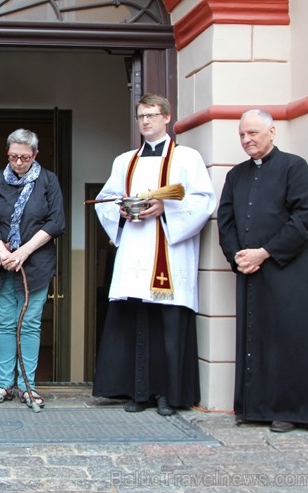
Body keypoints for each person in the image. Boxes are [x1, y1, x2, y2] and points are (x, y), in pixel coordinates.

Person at [92, 93, 216, 416]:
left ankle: (167, 395)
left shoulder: (187, 158)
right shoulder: (125, 161)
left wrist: (165, 208)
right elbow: (106, 200)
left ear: (166, 117)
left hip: (168, 255)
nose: (145, 121)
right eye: (141, 116)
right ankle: (138, 391)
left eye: (151, 115)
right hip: (135, 254)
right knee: (138, 323)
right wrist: (121, 210)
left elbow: (203, 201)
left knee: (167, 326)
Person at [217, 109, 308, 432]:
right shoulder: (235, 176)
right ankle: (255, 408)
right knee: (257, 340)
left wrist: (264, 253)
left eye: (253, 133)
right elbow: (225, 221)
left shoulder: (294, 167)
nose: (246, 140)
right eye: (242, 135)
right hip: (251, 271)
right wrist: (238, 256)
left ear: (272, 132)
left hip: (290, 271)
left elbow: (303, 219)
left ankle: (291, 410)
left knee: (287, 340)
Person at [0, 128, 65, 408]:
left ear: (35, 155)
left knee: (29, 325)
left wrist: (23, 251)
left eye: (25, 158)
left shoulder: (48, 181)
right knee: (3, 324)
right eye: (13, 157)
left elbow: (55, 222)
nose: (18, 163)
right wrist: (4, 253)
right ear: (7, 154)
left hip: (35, 266)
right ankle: (4, 384)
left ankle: (28, 385)